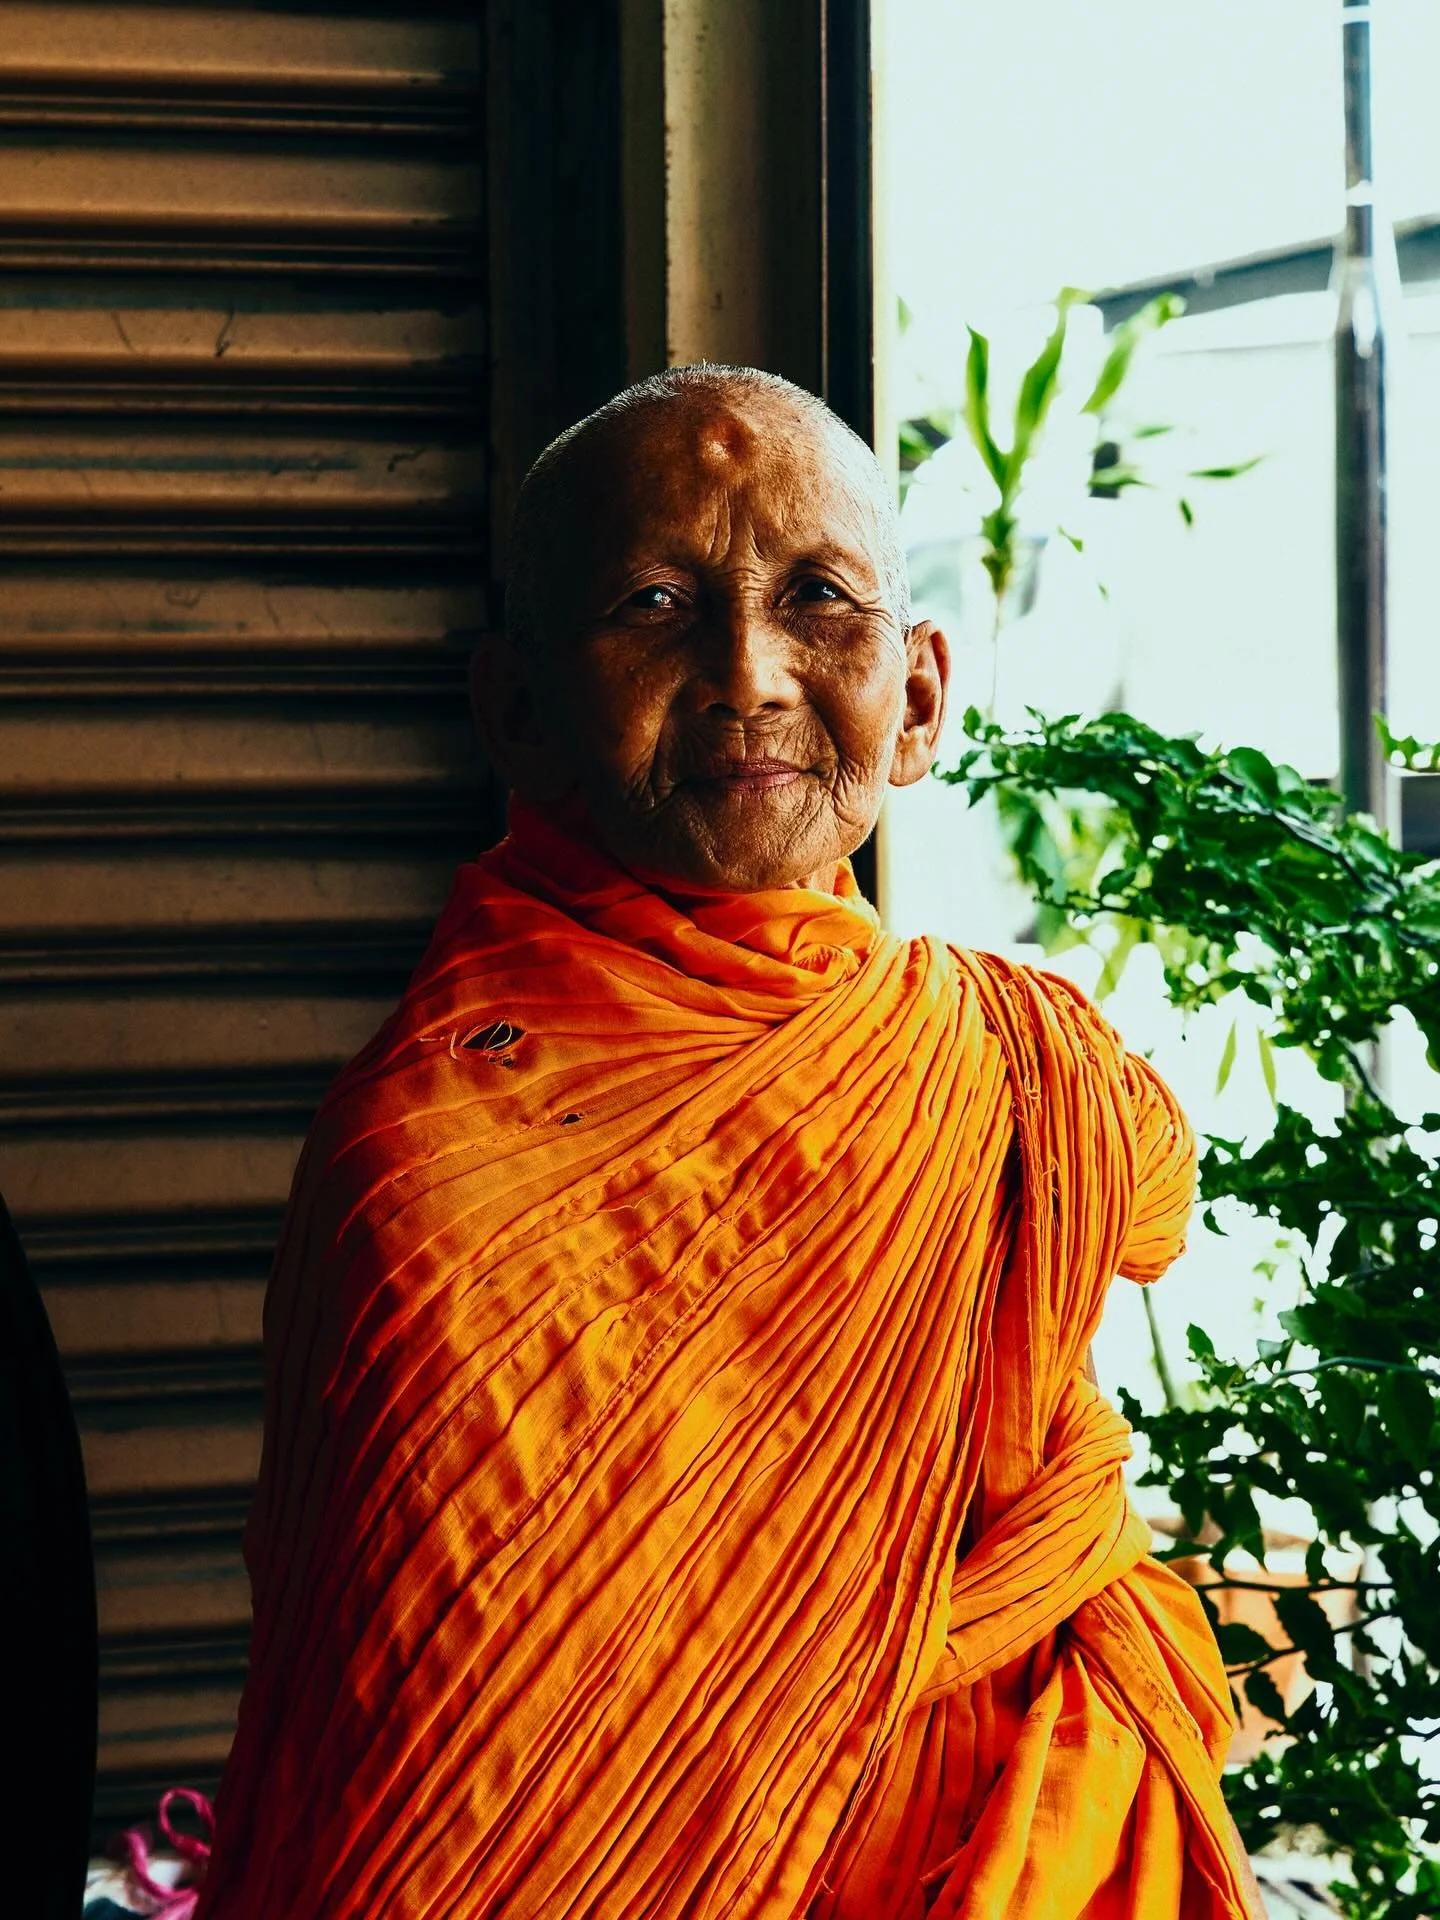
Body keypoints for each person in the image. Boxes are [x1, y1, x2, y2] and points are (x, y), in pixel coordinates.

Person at [197, 366, 1261, 1918]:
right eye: (651, 602)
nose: (749, 672)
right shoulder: (429, 1170)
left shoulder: (1009, 1064)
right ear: (518, 709)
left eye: (819, 597)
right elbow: (437, 1807)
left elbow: (1145, 1200)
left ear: (919, 699)